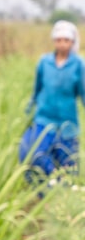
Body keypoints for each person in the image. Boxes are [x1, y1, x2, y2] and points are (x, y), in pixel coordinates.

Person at [19, 20, 85, 186]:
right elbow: (37, 88)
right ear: (54, 41)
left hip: (67, 122)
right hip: (44, 119)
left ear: (72, 42)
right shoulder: (44, 62)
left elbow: (83, 93)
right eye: (59, 40)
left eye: (66, 40)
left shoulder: (78, 65)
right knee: (37, 154)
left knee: (69, 163)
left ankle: (64, 196)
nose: (62, 44)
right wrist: (29, 109)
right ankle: (46, 188)